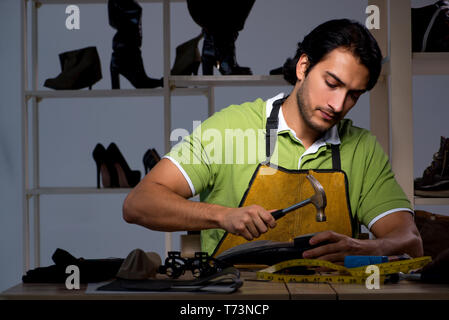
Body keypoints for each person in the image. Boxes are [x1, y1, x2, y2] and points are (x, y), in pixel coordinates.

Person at [123, 19, 423, 263]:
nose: (338, 103)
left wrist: (363, 248)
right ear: (303, 67)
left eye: (353, 95)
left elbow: (410, 241)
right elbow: (138, 203)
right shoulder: (231, 128)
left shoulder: (362, 149)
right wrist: (221, 215)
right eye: (332, 83)